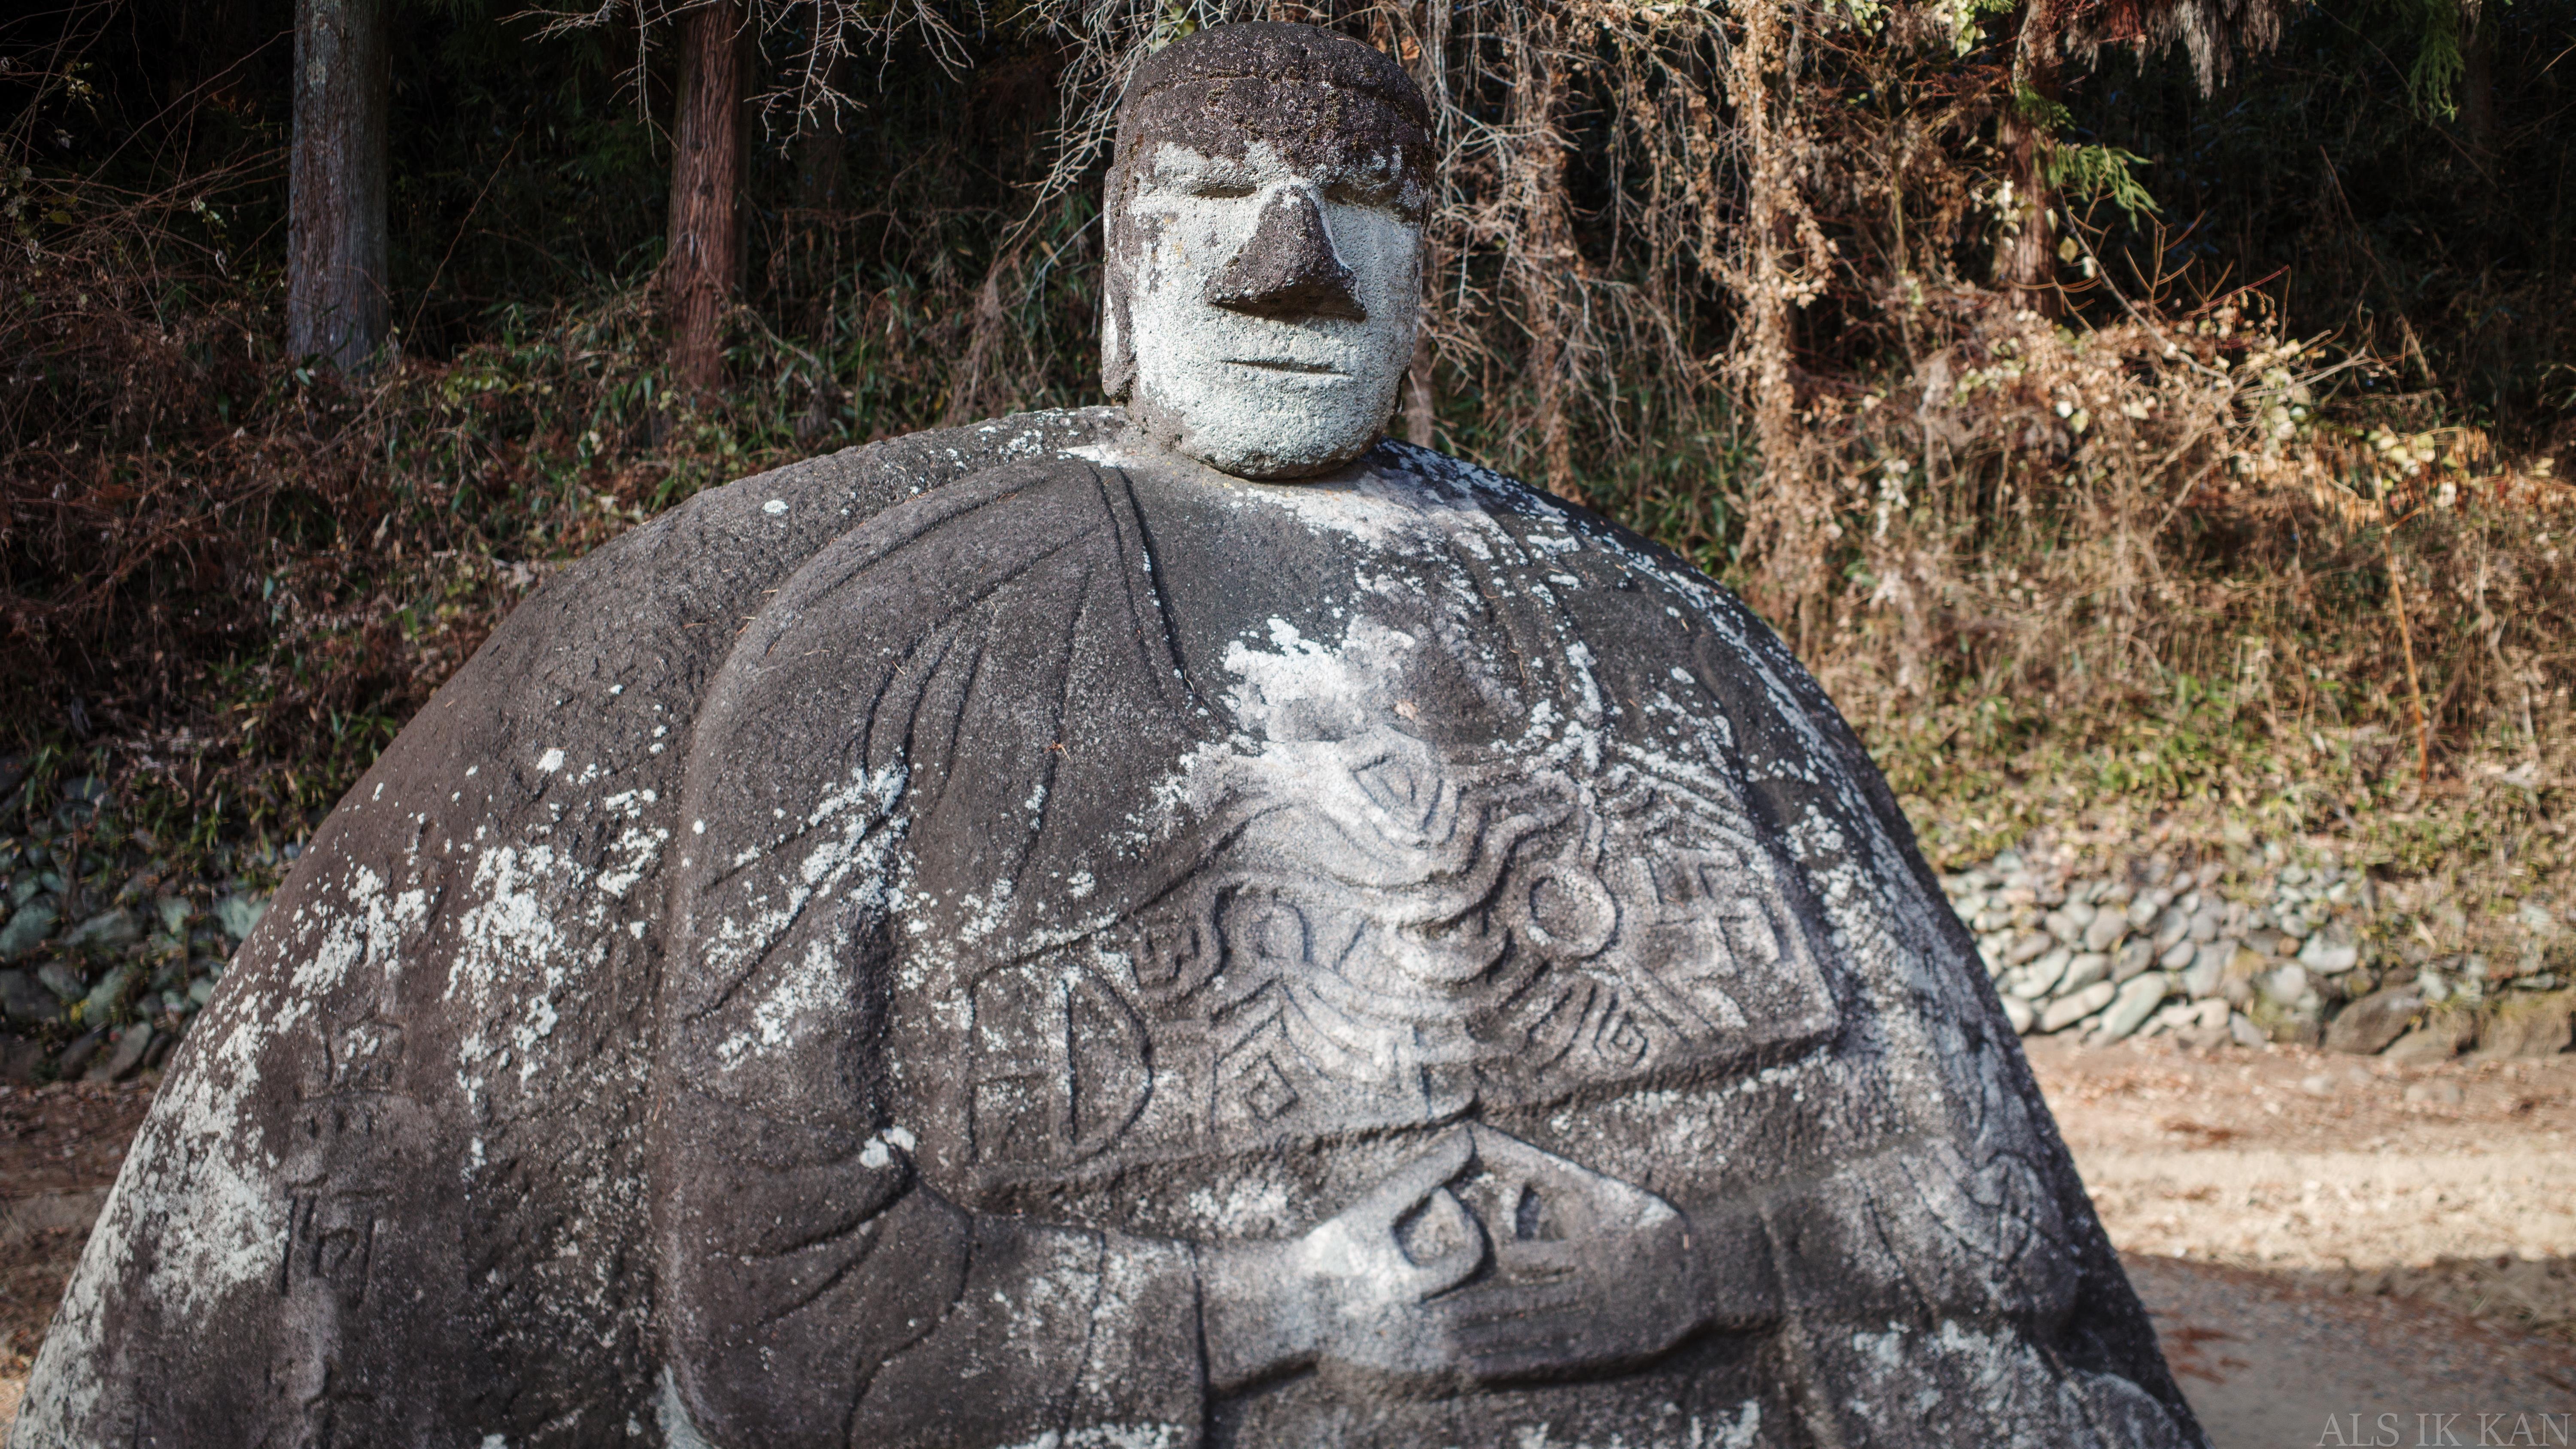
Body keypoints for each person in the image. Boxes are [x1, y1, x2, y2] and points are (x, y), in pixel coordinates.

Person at [17, 24, 2201, 1449]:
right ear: (1113, 263)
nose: (1288, 266)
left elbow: (1997, 1231)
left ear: (1428, 266)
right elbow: (786, 1324)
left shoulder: (1673, 657)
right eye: (1216, 207)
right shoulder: (876, 649)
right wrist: (1286, 1305)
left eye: (1350, 211)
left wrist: (1699, 1265)